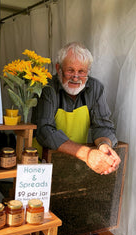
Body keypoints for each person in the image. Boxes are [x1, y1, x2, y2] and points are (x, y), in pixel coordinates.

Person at [32, 42, 121, 175]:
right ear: (58, 68)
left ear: (88, 72)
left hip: (76, 165)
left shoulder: (95, 88)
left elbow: (103, 126)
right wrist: (87, 154)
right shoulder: (47, 88)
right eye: (70, 70)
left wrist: (104, 145)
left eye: (81, 71)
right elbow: (44, 131)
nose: (76, 77)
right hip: (43, 164)